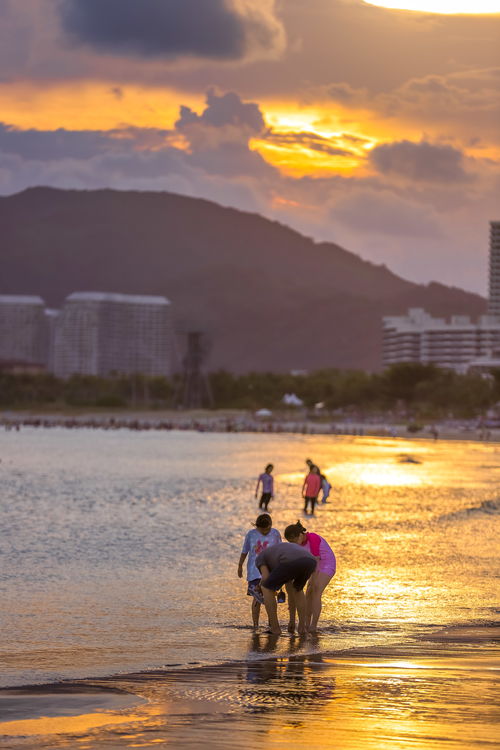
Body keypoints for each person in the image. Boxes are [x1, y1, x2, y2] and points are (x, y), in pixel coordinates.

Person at [284, 521, 336, 633]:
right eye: (291, 542)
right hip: (313, 564)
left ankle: (313, 625)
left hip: (326, 563)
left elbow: (316, 560)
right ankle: (306, 623)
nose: (294, 544)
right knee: (308, 591)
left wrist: (313, 578)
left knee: (316, 589)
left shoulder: (312, 537)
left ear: (300, 535)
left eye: (294, 541)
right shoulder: (298, 543)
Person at [255, 541, 317, 635]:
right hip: (310, 561)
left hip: (289, 561)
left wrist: (260, 587)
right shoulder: (277, 552)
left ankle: (275, 628)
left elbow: (265, 577)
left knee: (266, 588)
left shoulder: (260, 558)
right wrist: (291, 620)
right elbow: (287, 581)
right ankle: (302, 628)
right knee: (298, 589)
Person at [238, 513, 281, 629]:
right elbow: (245, 550)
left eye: (267, 529)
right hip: (254, 571)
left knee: (271, 597)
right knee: (256, 598)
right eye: (262, 530)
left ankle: (272, 623)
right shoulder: (251, 534)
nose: (265, 532)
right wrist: (240, 565)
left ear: (271, 525)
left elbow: (280, 551)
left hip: (271, 570)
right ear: (257, 526)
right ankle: (255, 625)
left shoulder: (275, 533)